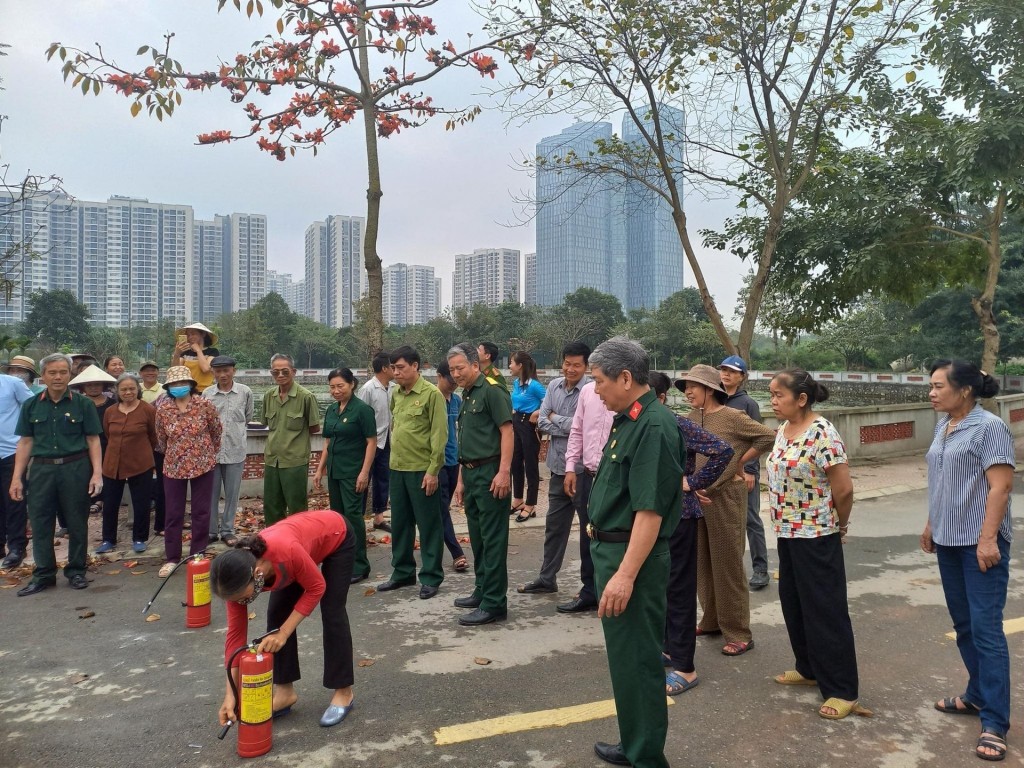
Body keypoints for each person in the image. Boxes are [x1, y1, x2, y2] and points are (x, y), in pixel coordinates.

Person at [585, 337, 684, 768]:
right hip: (614, 552)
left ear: (626, 378)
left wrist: (624, 575)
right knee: (625, 660)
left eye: (600, 381)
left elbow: (649, 512)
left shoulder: (655, 425)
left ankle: (647, 757)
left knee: (641, 660)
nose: (596, 391)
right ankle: (635, 741)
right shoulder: (630, 417)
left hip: (633, 559)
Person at [923, 360, 1013, 761]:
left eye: (939, 386)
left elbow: (1000, 487)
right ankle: (976, 695)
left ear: (964, 391)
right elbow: (941, 480)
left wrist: (988, 539)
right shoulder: (944, 425)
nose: (931, 393)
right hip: (947, 540)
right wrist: (930, 524)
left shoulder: (990, 427)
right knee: (963, 625)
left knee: (987, 631)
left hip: (979, 545)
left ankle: (995, 722)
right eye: (931, 386)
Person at [767, 369, 863, 721]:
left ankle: (842, 689)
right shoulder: (783, 429)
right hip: (787, 532)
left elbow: (844, 489)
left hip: (816, 534)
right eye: (772, 394)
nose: (773, 401)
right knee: (794, 603)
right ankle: (808, 668)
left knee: (825, 610)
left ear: (801, 398)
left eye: (779, 395)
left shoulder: (823, 433)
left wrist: (840, 524)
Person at [211, 510, 356, 728]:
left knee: (332, 611)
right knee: (276, 617)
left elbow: (316, 587)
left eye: (243, 598)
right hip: (302, 548)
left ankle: (344, 692)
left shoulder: (285, 552)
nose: (241, 603)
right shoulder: (235, 581)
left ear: (258, 573)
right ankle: (285, 692)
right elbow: (235, 636)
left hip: (336, 534)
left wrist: (285, 633)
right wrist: (231, 693)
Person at [676, 364, 775, 657]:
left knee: (728, 563)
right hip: (697, 498)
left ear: (710, 389)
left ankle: (738, 631)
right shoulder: (688, 419)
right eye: (685, 387)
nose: (688, 392)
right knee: (702, 562)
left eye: (693, 386)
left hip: (726, 497)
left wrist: (739, 462)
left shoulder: (734, 417)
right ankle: (711, 621)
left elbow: (767, 437)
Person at [649, 371, 733, 697]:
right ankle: (670, 649)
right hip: (657, 517)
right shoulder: (645, 424)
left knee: (680, 591)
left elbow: (722, 450)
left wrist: (693, 482)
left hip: (681, 515)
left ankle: (685, 667)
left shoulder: (674, 423)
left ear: (658, 397)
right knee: (664, 589)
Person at [12, 353, 103, 596]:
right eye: (52, 372)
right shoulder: (31, 404)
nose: (58, 377)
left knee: (76, 520)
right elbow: (25, 442)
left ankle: (76, 571)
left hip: (75, 467)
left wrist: (97, 474)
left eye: (63, 372)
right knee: (41, 521)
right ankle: (43, 574)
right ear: (43, 376)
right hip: (41, 469)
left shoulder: (83, 404)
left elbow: (93, 440)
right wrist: (16, 477)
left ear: (70, 374)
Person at [518, 342, 590, 607]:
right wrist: (561, 421)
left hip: (584, 472)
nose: (570, 369)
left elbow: (582, 427)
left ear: (586, 367)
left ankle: (589, 588)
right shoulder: (553, 386)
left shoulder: (590, 392)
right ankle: (547, 578)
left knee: (587, 530)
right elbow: (541, 420)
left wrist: (554, 418)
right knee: (554, 528)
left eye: (577, 365)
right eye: (567, 363)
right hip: (558, 469)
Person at [448, 343, 513, 626]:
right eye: (451, 370)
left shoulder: (492, 390)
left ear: (475, 365)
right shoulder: (468, 394)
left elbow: (507, 431)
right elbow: (467, 439)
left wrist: (504, 472)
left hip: (490, 473)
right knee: (477, 538)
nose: (455, 374)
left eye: (460, 368)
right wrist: (461, 479)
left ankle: (495, 602)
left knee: (493, 540)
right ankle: (482, 590)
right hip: (472, 473)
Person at [376, 346, 447, 600]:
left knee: (428, 525)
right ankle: (403, 572)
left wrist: (433, 471)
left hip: (421, 470)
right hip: (397, 468)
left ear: (416, 366)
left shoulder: (431, 395)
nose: (396, 373)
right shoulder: (396, 393)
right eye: (393, 368)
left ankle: (430, 576)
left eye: (401, 368)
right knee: (402, 524)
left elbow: (440, 436)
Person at [551, 375, 616, 612]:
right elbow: (577, 430)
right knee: (589, 533)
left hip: (614, 478)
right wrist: (570, 468)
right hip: (588, 475)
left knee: (615, 536)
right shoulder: (588, 392)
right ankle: (589, 590)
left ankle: (612, 591)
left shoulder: (624, 397)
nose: (597, 384)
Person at [155, 366, 222, 578]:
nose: (178, 387)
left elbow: (216, 431)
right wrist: (178, 452)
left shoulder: (204, 405)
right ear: (168, 387)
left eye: (182, 383)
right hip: (174, 466)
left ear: (191, 385)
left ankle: (197, 555)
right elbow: (161, 439)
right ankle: (172, 558)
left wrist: (204, 452)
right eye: (174, 384)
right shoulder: (164, 409)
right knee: (173, 513)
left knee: (201, 512)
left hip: (202, 464)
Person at [313, 368, 376, 584]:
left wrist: (364, 472)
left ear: (352, 385)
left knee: (352, 517)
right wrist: (320, 469)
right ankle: (341, 561)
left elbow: (371, 442)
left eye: (340, 386)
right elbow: (328, 442)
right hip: (334, 471)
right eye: (332, 387)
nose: (336, 390)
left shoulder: (362, 410)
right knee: (337, 517)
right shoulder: (331, 410)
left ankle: (360, 564)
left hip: (353, 472)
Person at [718, 355, 769, 590]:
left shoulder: (747, 404)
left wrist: (749, 470)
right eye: (723, 370)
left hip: (743, 472)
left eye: (732, 371)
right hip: (718, 472)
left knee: (750, 519)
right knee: (723, 520)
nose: (726, 374)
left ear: (741, 376)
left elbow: (758, 438)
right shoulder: (715, 400)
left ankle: (760, 569)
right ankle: (728, 570)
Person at [96, 373, 158, 555]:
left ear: (137, 390)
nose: (128, 392)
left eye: (132, 388)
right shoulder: (110, 411)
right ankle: (108, 539)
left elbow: (153, 437)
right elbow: (108, 434)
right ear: (117, 391)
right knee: (110, 503)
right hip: (113, 463)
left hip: (141, 463)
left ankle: (139, 538)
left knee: (141, 502)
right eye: (124, 389)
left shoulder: (148, 410)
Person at [261, 353, 320, 526]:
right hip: (272, 459)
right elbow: (266, 424)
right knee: (271, 506)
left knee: (297, 507)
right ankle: (273, 544)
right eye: (275, 372)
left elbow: (314, 427)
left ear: (293, 371)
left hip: (295, 461)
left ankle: (299, 543)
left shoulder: (306, 397)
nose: (280, 376)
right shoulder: (268, 396)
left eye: (285, 372)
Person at [203, 356, 253, 547]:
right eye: (218, 371)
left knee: (232, 494)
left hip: (235, 451)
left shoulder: (245, 392)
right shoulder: (207, 394)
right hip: (212, 453)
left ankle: (228, 530)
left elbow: (247, 417)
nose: (222, 375)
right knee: (211, 495)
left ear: (234, 370)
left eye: (226, 370)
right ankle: (211, 531)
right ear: (213, 372)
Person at [434, 360, 469, 573]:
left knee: (443, 509)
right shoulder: (432, 398)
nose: (454, 382)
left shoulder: (457, 401)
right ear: (439, 376)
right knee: (441, 509)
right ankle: (457, 552)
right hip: (436, 464)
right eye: (450, 378)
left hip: (454, 461)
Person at [69, 364, 117, 516]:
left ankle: (102, 500)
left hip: (108, 445)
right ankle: (90, 499)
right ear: (83, 387)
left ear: (103, 385)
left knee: (106, 474)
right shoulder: (77, 404)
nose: (93, 388)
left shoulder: (113, 405)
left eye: (97, 384)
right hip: (83, 446)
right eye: (89, 385)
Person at [357, 351, 395, 533]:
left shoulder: (393, 388)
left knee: (383, 479)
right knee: (364, 479)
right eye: (392, 366)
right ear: (385, 368)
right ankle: (359, 518)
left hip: (387, 440)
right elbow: (360, 415)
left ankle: (379, 517)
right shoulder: (368, 389)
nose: (395, 370)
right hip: (369, 442)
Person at [0, 369, 34, 569]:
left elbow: (32, 408)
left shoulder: (12, 384)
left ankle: (17, 547)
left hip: (12, 451)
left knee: (14, 499)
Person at [509, 351, 546, 522]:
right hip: (516, 423)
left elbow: (549, 402)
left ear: (520, 366)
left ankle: (531, 505)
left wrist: (537, 412)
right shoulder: (517, 383)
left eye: (512, 363)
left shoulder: (535, 386)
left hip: (529, 426)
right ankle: (518, 500)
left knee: (531, 465)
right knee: (515, 462)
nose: (510, 366)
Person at [171, 322, 219, 393]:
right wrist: (177, 354)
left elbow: (206, 369)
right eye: (188, 335)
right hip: (188, 392)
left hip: (207, 391)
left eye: (193, 334)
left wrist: (198, 350)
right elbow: (176, 371)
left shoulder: (212, 352)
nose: (190, 337)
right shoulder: (185, 353)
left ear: (203, 334)